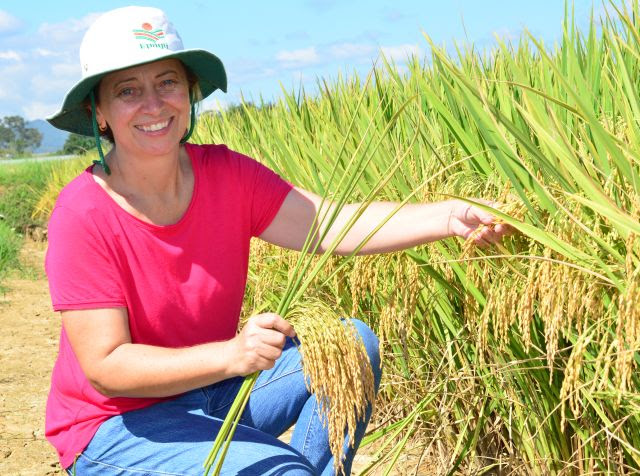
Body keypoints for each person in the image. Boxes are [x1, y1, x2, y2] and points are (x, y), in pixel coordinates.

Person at [44, 6, 510, 476]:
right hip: (118, 425)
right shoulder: (83, 213)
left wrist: (453, 215)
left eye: (167, 82)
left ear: (189, 92)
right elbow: (107, 366)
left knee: (350, 348)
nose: (153, 104)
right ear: (98, 111)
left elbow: (329, 224)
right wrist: (232, 354)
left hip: (211, 389)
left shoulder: (228, 175)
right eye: (128, 91)